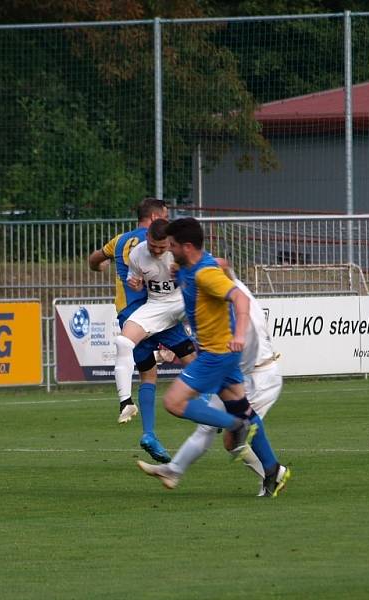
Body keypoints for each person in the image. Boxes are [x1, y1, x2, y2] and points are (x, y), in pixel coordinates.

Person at [140, 216, 291, 497]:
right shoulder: (192, 265)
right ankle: (272, 470)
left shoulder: (204, 274)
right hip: (225, 357)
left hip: (216, 355)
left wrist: (240, 335)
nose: (168, 249)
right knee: (242, 408)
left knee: (173, 402)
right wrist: (178, 270)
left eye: (172, 245)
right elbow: (221, 263)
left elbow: (240, 299)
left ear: (186, 246)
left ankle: (235, 426)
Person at [88, 198, 194, 463]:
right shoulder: (168, 244)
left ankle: (146, 429)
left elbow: (95, 259)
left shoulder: (120, 241)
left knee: (148, 374)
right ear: (156, 217)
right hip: (154, 313)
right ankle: (213, 411)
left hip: (133, 314)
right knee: (193, 360)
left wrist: (99, 266)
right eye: (166, 214)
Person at [114, 218, 197, 462]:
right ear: (147, 237)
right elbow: (136, 281)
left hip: (179, 306)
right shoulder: (138, 253)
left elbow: (204, 274)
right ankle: (129, 408)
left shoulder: (181, 251)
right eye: (153, 246)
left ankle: (210, 407)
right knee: (135, 356)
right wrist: (135, 282)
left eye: (162, 247)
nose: (157, 251)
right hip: (156, 310)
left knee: (197, 358)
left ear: (170, 242)